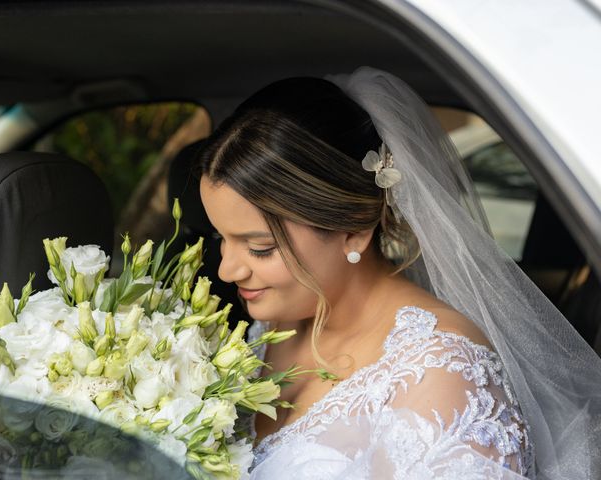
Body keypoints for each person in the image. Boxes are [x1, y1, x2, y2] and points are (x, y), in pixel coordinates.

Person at [195, 67, 601, 479]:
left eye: (260, 248)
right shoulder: (271, 329)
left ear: (353, 230)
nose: (228, 269)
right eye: (220, 238)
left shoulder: (443, 378)